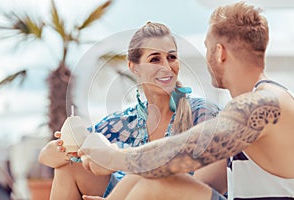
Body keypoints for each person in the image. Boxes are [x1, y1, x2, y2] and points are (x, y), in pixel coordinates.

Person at [79, 2, 294, 200]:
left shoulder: (264, 103)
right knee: (149, 178)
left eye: (207, 47)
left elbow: (181, 150)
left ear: (219, 52)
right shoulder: (251, 108)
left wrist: (113, 157)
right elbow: (204, 182)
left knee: (155, 184)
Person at [38, 22, 221, 199]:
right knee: (67, 168)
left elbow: (207, 187)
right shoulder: (122, 123)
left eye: (171, 57)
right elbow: (46, 157)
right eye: (155, 59)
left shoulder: (202, 113)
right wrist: (68, 147)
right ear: (134, 67)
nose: (167, 67)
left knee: (144, 177)